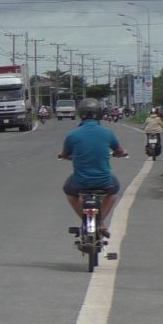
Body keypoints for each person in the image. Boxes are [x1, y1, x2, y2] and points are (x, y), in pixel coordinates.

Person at [58, 98, 127, 237]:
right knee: (114, 191)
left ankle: (85, 220)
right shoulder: (107, 133)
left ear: (80, 114)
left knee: (69, 193)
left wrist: (63, 156)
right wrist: (121, 154)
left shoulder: (72, 135)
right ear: (99, 113)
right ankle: (100, 222)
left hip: (80, 182)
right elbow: (120, 151)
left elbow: (64, 154)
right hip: (104, 181)